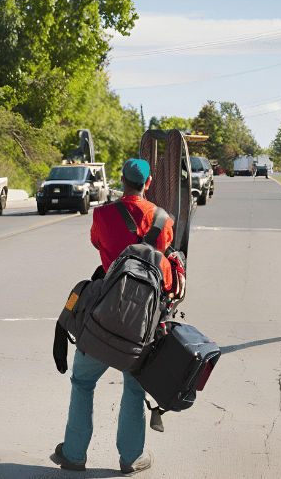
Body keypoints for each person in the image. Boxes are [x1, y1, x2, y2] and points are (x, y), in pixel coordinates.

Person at [52, 158, 183, 475]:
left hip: (101, 317)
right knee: (135, 388)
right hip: (141, 325)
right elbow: (164, 270)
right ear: (148, 183)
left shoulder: (102, 214)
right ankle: (130, 459)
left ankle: (74, 455)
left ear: (122, 181)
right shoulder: (163, 221)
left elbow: (96, 242)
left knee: (83, 382)